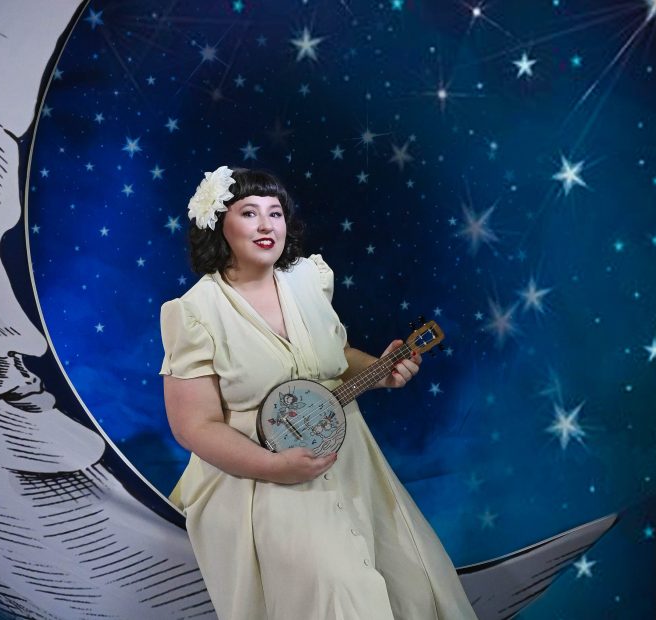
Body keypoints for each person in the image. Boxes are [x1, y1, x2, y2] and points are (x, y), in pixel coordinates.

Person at [159, 166, 478, 619]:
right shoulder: (192, 312)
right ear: (218, 226)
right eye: (250, 213)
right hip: (255, 477)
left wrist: (381, 370)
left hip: (349, 460)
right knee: (339, 594)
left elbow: (332, 354)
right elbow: (193, 425)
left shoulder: (309, 278)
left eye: (276, 213)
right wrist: (273, 466)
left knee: (413, 583)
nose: (268, 225)